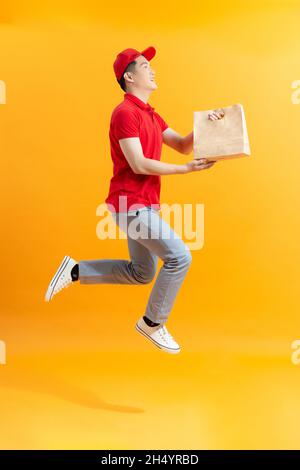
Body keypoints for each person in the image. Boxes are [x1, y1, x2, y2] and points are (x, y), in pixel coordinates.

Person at [44, 46, 224, 354]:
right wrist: (186, 170)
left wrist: (204, 126)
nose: (152, 69)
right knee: (180, 257)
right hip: (130, 204)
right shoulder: (124, 113)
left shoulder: (151, 115)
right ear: (129, 77)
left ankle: (75, 270)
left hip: (144, 204)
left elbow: (181, 145)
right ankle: (152, 323)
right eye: (145, 65)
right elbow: (138, 163)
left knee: (141, 273)